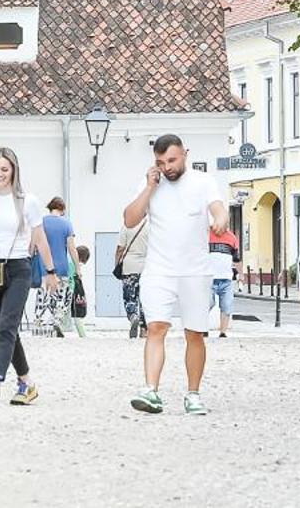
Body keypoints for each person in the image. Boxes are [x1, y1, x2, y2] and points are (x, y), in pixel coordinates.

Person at [123, 135, 227, 415]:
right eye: (160, 162)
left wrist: (219, 220)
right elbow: (130, 219)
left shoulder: (203, 182)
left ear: (185, 155)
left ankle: (193, 394)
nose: (167, 167)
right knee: (156, 327)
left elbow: (218, 208)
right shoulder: (151, 186)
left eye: (172, 160)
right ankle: (151, 390)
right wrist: (148, 188)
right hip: (159, 270)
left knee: (194, 333)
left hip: (195, 272)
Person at [0, 147, 58, 407]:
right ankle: (27, 383)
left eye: (4, 169)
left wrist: (50, 271)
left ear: (14, 171)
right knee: (7, 327)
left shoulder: (27, 200)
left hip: (19, 266)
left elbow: (39, 238)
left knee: (7, 326)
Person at [32, 196, 77, 338]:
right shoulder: (67, 224)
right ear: (62, 209)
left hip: (43, 265)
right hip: (62, 266)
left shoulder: (41, 223)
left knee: (43, 293)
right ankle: (55, 320)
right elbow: (71, 248)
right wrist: (78, 267)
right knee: (60, 295)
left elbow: (33, 243)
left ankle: (38, 321)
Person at [114, 218, 149, 339]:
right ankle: (144, 329)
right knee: (145, 298)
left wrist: (117, 263)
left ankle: (133, 316)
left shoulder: (127, 225)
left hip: (129, 266)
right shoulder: (151, 225)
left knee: (130, 297)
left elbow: (120, 248)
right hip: (146, 266)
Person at [208, 226, 240, 339]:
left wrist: (241, 275)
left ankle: (223, 332)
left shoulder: (232, 238)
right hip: (208, 277)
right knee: (207, 303)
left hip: (226, 278)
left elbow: (237, 259)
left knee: (226, 306)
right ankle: (202, 328)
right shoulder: (205, 234)